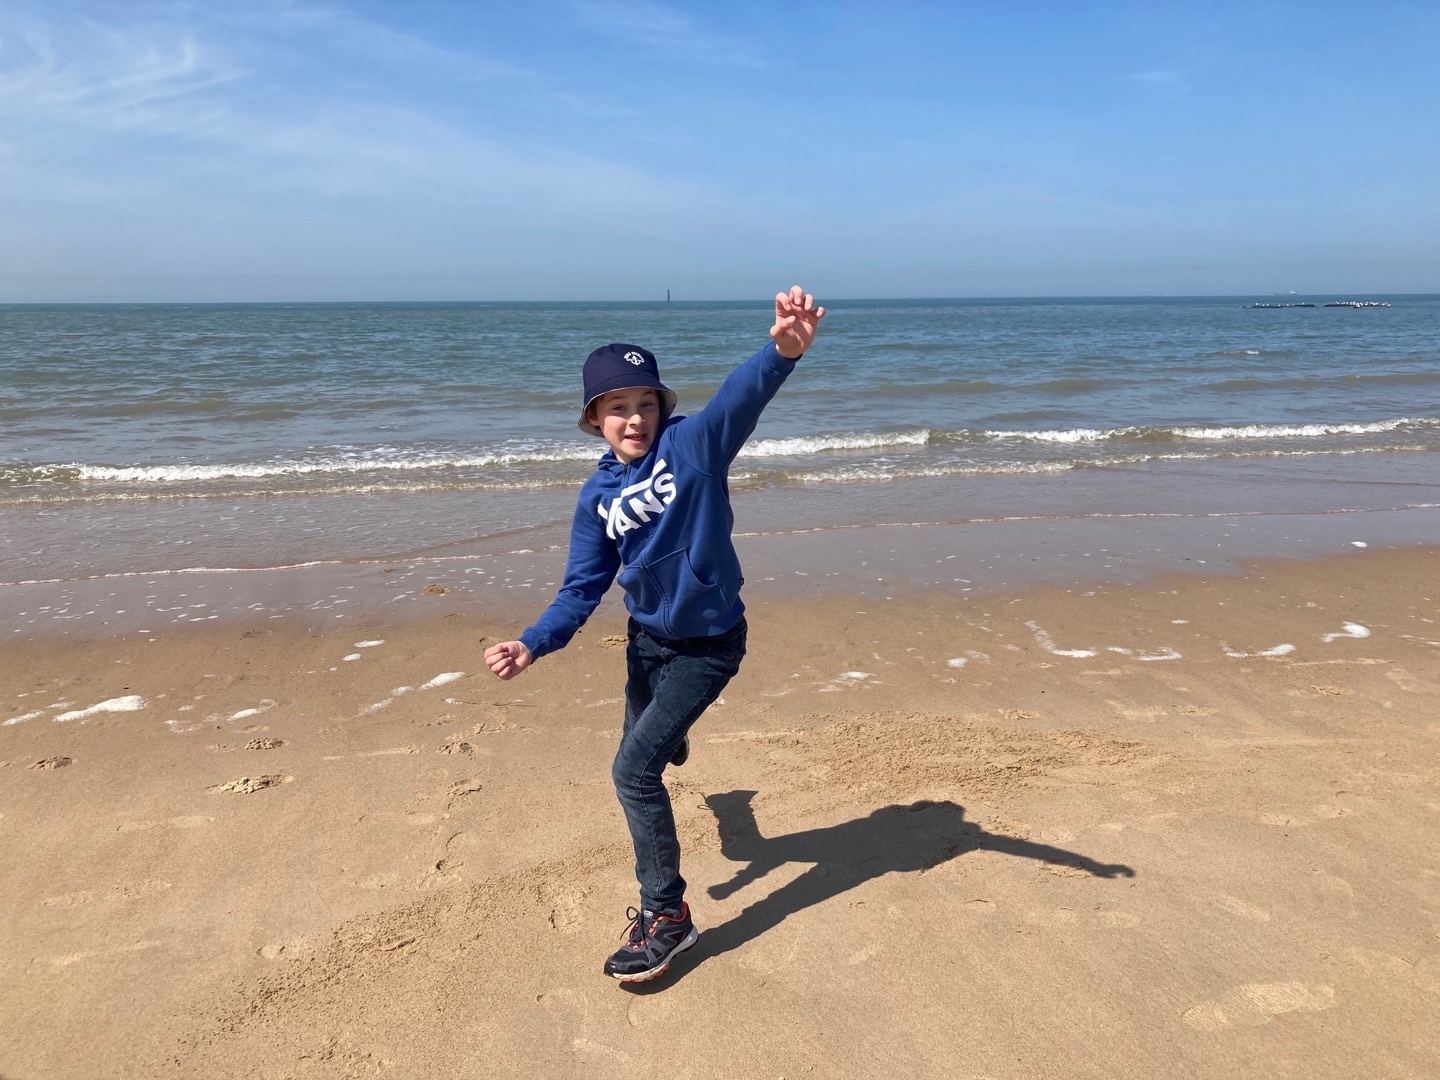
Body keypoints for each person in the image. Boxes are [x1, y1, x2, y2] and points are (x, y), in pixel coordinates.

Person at [484, 286, 824, 983]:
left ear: (662, 408)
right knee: (650, 759)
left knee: (633, 771)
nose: (634, 418)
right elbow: (581, 588)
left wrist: (782, 351)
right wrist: (531, 642)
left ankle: (667, 917)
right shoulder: (597, 499)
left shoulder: (694, 446)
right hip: (647, 644)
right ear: (594, 420)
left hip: (709, 645)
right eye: (617, 407)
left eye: (645, 403)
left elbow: (740, 398)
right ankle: (674, 733)